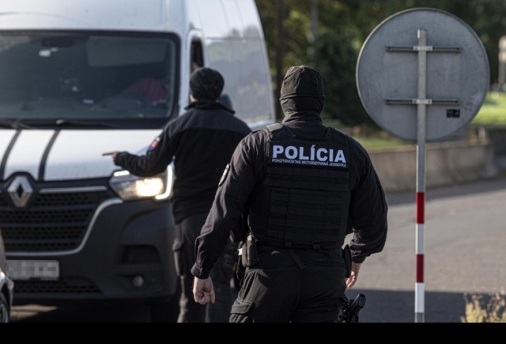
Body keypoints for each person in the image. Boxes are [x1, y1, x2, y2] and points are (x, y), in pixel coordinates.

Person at [191, 65, 388, 323]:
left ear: (284, 102)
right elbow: (374, 223)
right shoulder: (351, 151)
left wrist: (202, 268)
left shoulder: (257, 145)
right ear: (320, 103)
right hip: (325, 278)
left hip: (268, 277)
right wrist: (356, 256)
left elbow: (224, 211)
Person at [104, 67, 251, 322]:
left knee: (192, 293)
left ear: (192, 93)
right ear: (218, 93)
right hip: (228, 220)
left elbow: (149, 165)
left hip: (189, 221)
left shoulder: (179, 126)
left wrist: (121, 157)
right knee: (221, 287)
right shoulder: (241, 130)